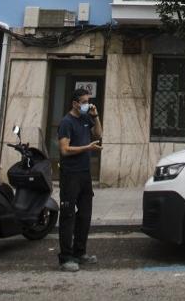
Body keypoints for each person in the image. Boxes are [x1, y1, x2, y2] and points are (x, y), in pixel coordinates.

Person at [57, 87, 102, 273]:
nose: (87, 104)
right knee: (68, 216)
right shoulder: (66, 122)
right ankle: (66, 258)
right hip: (70, 175)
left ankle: (80, 252)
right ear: (75, 103)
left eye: (88, 101)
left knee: (85, 215)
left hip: (84, 174)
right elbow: (64, 150)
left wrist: (95, 115)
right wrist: (86, 148)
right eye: (84, 102)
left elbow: (98, 135)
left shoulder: (85, 118)